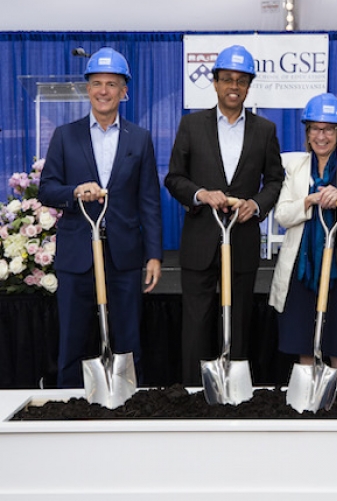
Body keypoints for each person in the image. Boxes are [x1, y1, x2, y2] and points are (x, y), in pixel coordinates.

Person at [39, 47, 163, 388]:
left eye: (111, 84)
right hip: (77, 253)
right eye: (96, 83)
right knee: (72, 340)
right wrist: (75, 191)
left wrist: (153, 254)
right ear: (87, 89)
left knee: (128, 341)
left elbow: (149, 199)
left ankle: (129, 408)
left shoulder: (139, 138)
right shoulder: (66, 135)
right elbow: (47, 189)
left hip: (123, 255)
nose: (103, 90)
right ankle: (65, 407)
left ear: (124, 91)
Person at [164, 44, 284, 385]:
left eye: (242, 80)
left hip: (243, 240)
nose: (234, 86)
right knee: (196, 324)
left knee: (239, 320)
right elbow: (174, 178)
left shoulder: (265, 130)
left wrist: (257, 205)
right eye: (227, 79)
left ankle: (235, 393)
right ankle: (193, 392)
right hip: (200, 239)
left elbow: (275, 179)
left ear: (249, 86)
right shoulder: (191, 125)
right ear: (214, 83)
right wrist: (200, 194)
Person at [269, 93, 337, 386]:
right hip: (302, 275)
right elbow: (283, 215)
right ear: (307, 133)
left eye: (329, 129)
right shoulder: (295, 167)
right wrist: (309, 200)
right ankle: (310, 416)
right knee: (305, 353)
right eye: (315, 128)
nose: (321, 135)